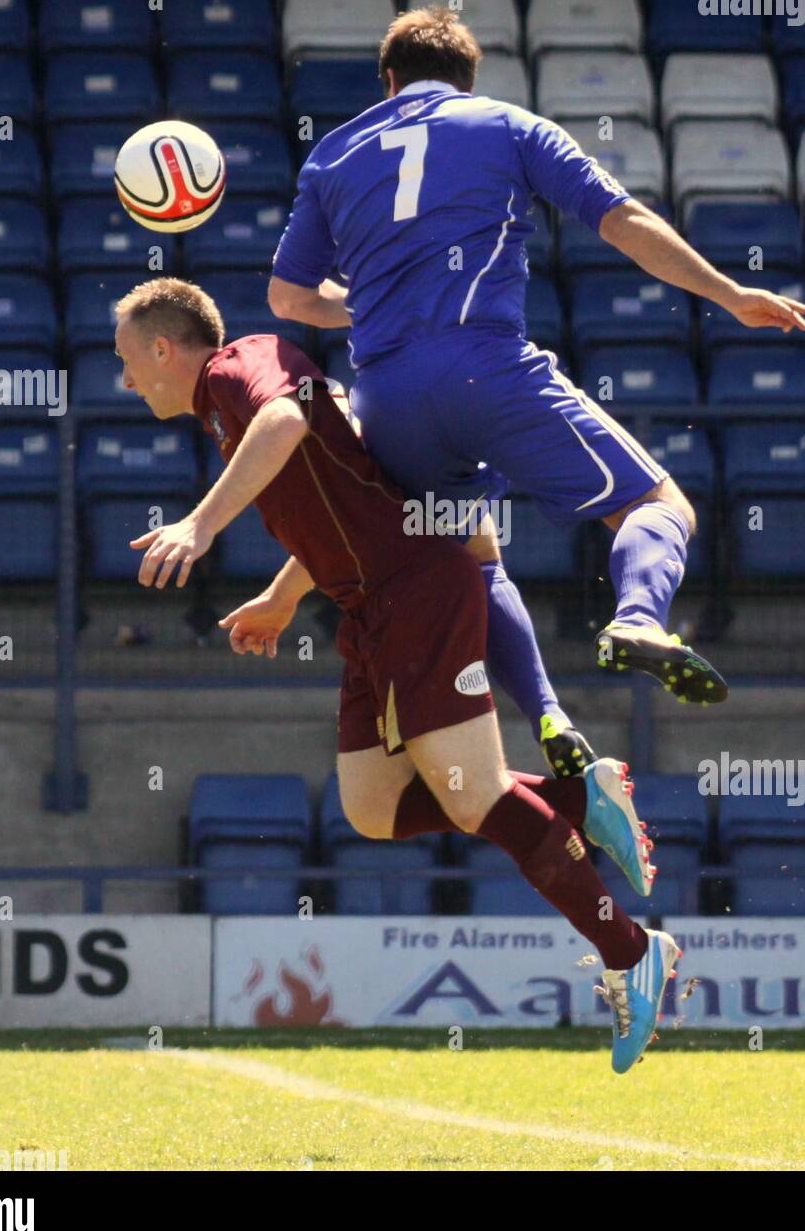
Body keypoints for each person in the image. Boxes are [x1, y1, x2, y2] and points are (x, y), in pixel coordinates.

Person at [113, 276, 676, 1073]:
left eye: (128, 360)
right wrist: (279, 599)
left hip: (416, 591)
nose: (126, 378)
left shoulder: (245, 366)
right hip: (371, 609)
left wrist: (200, 526)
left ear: (163, 347)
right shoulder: (222, 400)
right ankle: (580, 797)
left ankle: (628, 950)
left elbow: (285, 418)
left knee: (471, 793)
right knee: (375, 810)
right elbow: (335, 499)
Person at [268, 6, 805, 742]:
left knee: (470, 549)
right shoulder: (508, 125)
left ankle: (549, 718)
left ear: (388, 81)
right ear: (467, 78)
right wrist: (730, 294)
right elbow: (622, 221)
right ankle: (639, 621)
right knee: (659, 505)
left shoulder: (331, 154)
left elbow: (289, 298)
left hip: (387, 395)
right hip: (485, 369)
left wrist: (373, 303)